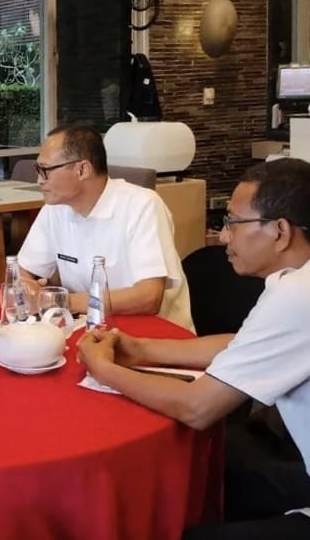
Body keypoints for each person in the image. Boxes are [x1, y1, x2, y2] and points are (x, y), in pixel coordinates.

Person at [77, 159, 310, 539]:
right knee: (217, 474)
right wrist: (142, 348)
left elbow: (197, 408)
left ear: (280, 232)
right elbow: (243, 344)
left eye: (233, 223)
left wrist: (105, 370)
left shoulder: (297, 295)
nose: (222, 237)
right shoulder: (297, 281)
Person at [17, 124, 193, 331]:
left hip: (153, 333)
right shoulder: (55, 208)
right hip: (89, 328)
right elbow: (23, 271)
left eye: (45, 170)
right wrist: (28, 287)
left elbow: (148, 298)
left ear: (82, 169)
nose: (39, 180)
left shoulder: (142, 205)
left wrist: (61, 300)